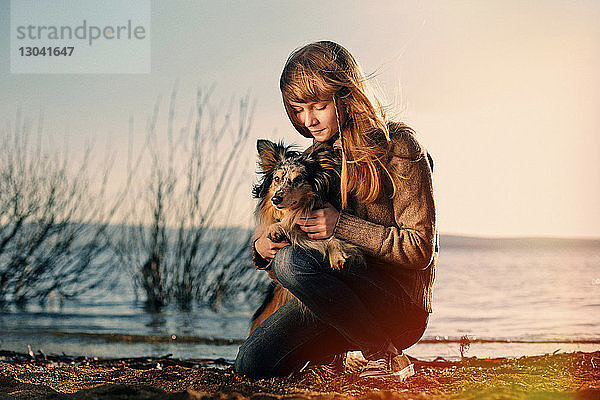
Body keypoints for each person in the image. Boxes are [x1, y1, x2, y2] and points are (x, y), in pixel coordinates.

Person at [235, 41, 438, 379]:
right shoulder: (313, 161)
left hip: (398, 307)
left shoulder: (399, 147)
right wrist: (263, 248)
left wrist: (340, 224)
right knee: (250, 366)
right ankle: (340, 352)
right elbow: (301, 267)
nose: (307, 120)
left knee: (292, 262)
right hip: (337, 302)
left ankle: (383, 355)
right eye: (298, 110)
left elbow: (420, 250)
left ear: (345, 94)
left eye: (317, 106)